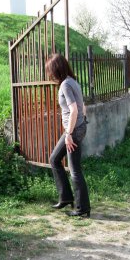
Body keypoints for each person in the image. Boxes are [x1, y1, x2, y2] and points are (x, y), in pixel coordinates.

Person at [45, 53, 90, 217]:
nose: (50, 74)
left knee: (74, 170)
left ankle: (82, 208)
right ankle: (66, 198)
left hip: (73, 131)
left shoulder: (65, 84)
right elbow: (83, 106)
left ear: (56, 69)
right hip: (78, 128)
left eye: (50, 70)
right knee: (55, 159)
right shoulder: (73, 81)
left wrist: (70, 133)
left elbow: (74, 110)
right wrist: (82, 123)